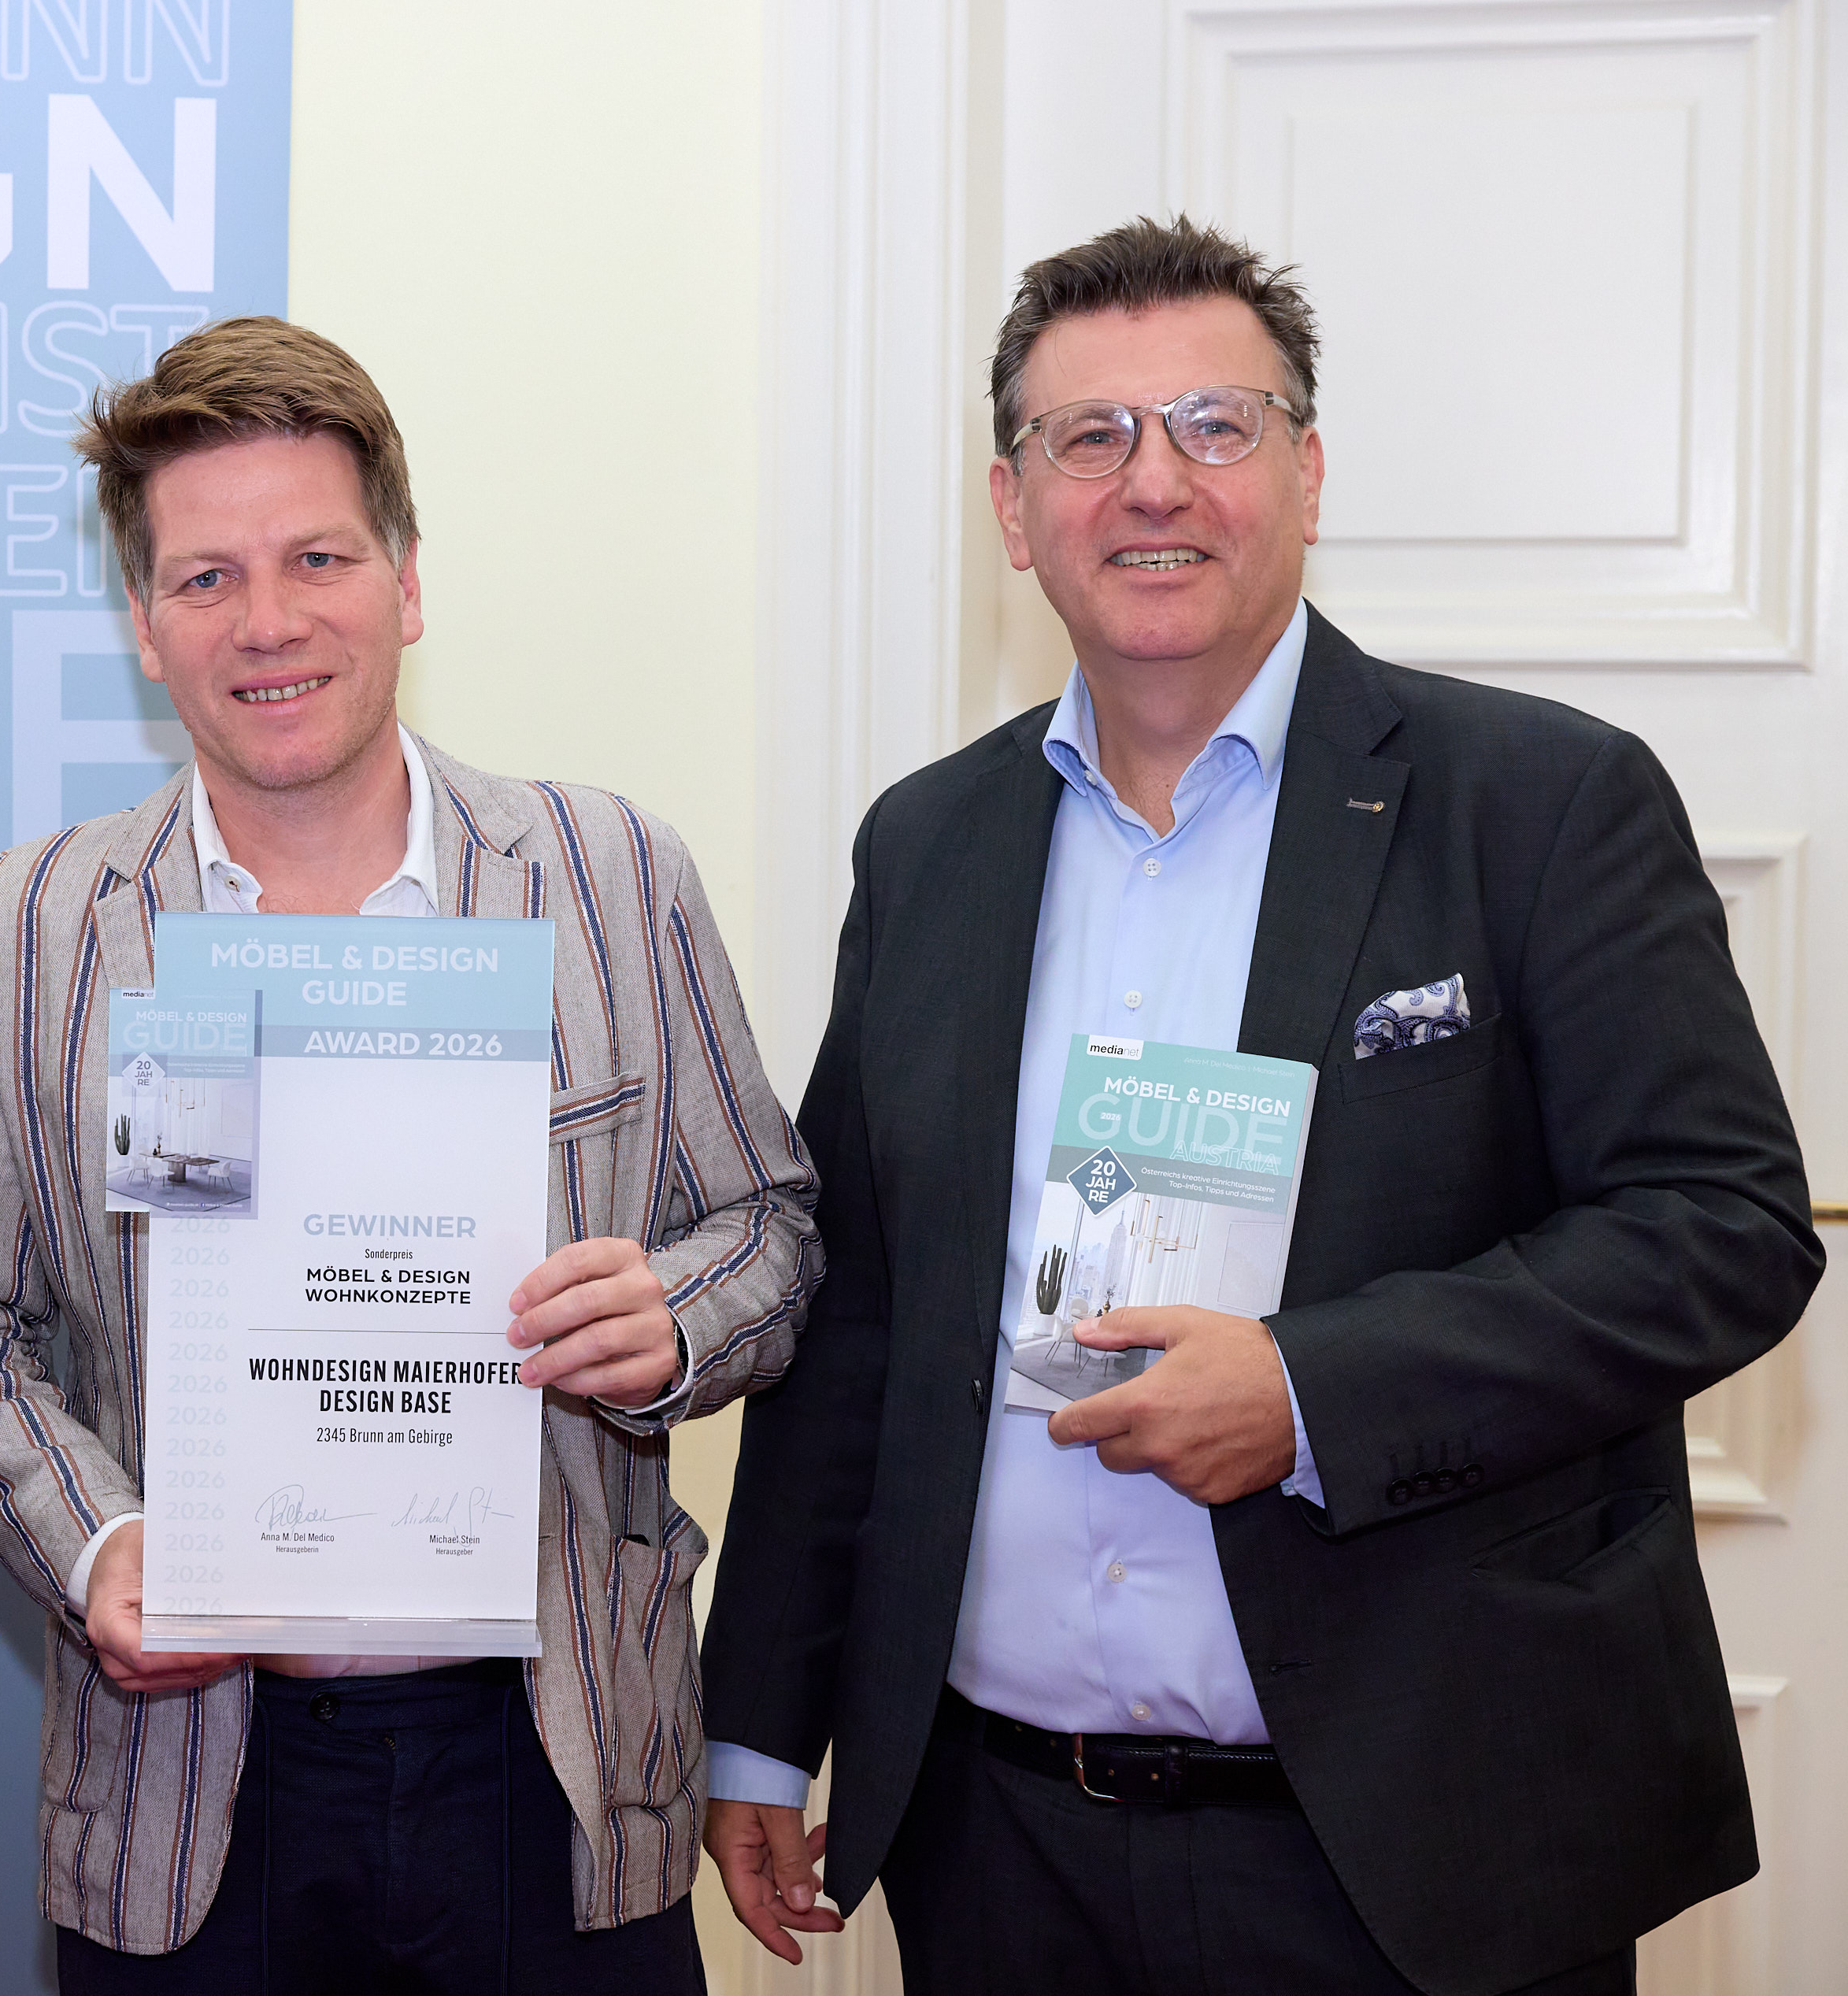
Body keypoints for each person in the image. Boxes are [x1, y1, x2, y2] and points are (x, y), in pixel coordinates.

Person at [699, 216, 1823, 1996]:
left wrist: (1311, 1393)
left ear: (1306, 472)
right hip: (998, 1852)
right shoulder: (928, 845)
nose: (1153, 481)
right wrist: (762, 1721)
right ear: (1013, 508)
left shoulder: (1539, 802)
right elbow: (863, 1314)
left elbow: (1721, 1227)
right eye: (1089, 436)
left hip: (1419, 1849)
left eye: (1214, 425)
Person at [0, 317, 819, 1993]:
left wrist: (675, 1318)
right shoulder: (27, 927)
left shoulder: (612, 873)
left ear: (406, 579)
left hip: (554, 1762)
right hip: (183, 1792)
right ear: (144, 625)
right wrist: (96, 1545)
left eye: (318, 558)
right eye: (207, 577)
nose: (268, 620)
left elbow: (770, 1226)